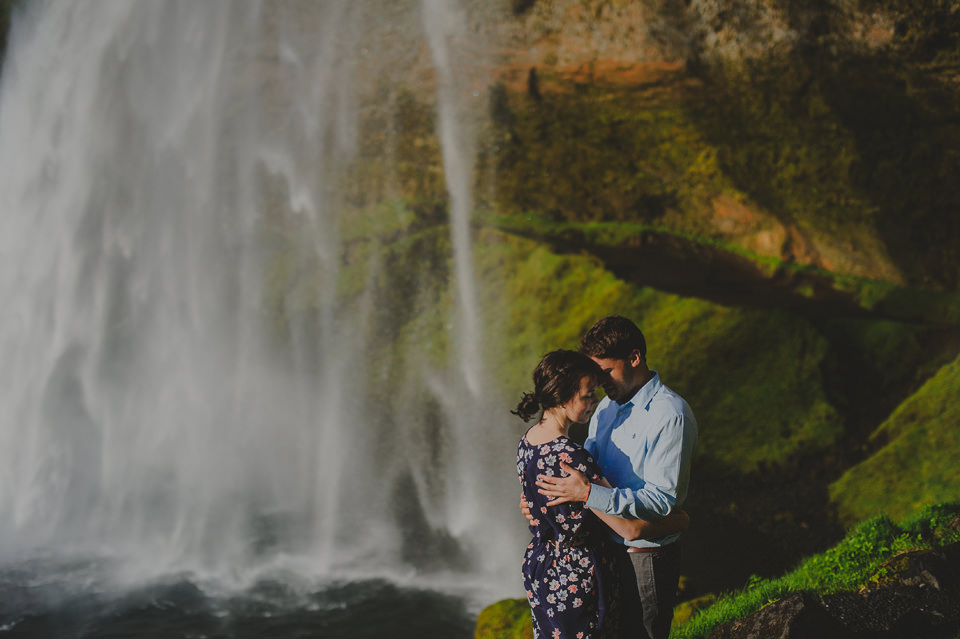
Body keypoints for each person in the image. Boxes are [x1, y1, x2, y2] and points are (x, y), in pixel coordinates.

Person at [532, 317, 698, 639]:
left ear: (634, 358)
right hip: (605, 549)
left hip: (645, 557)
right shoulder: (607, 406)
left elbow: (663, 500)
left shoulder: (671, 415)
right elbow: (585, 465)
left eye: (606, 371)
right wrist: (542, 499)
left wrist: (588, 494)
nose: (600, 381)